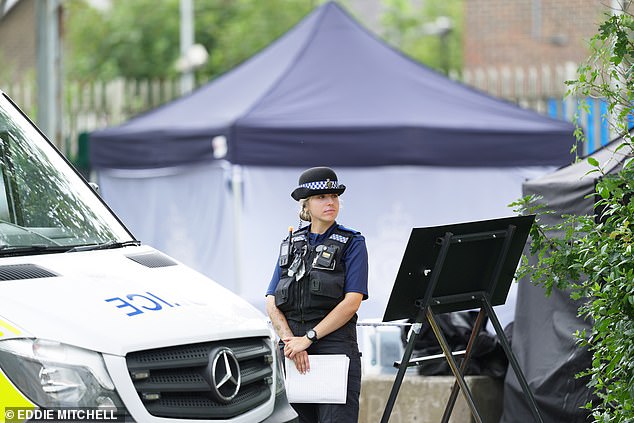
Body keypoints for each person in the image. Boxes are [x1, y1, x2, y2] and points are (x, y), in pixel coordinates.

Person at [265, 166, 369, 423]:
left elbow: (352, 302)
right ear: (306, 205)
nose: (330, 202)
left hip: (334, 349)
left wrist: (309, 338)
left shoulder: (353, 243)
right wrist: (292, 342)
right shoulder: (290, 243)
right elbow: (271, 301)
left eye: (334, 197)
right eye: (322, 197)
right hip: (292, 353)